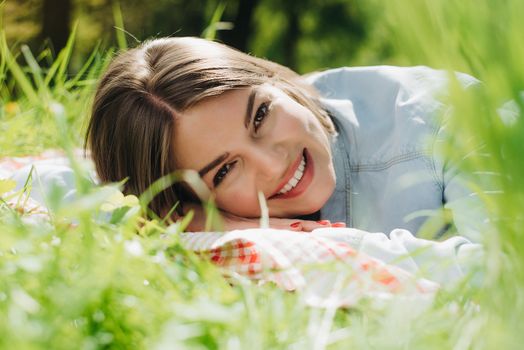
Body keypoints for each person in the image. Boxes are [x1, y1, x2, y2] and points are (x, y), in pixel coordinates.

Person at [86, 36, 484, 239]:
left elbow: (504, 282)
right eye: (224, 170)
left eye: (261, 115)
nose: (275, 163)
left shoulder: (454, 119)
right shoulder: (202, 222)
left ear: (275, 80)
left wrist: (316, 248)